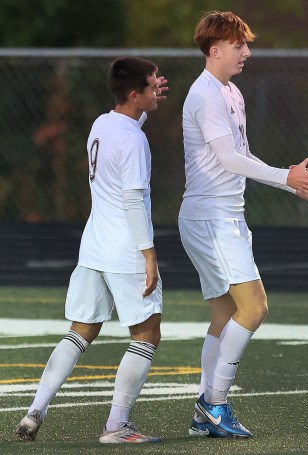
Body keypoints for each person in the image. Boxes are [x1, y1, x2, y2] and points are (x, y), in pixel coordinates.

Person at [179, 11, 308, 439]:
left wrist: (291, 184)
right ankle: (215, 403)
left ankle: (203, 410)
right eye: (239, 44)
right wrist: (289, 177)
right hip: (211, 217)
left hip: (221, 216)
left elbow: (242, 159)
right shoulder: (205, 94)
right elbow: (227, 160)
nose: (247, 51)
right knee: (255, 307)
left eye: (246, 43)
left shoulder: (231, 92)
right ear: (215, 50)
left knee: (225, 315)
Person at [15, 57, 169, 444]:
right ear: (135, 95)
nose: (157, 91)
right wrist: (149, 255)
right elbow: (134, 200)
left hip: (94, 247)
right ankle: (117, 426)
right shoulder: (134, 139)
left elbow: (126, 129)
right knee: (147, 333)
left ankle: (36, 409)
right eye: (152, 87)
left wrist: (146, 106)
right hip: (125, 250)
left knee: (80, 332)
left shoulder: (104, 123)